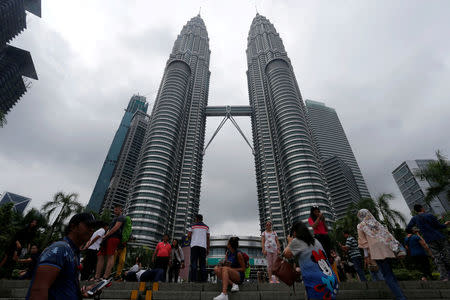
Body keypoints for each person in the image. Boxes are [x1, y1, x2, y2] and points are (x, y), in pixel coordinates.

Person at [26, 213, 99, 300]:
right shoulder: (60, 249)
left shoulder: (74, 253)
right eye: (88, 225)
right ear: (73, 227)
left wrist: (81, 293)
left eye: (93, 227)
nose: (91, 229)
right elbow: (38, 290)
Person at [357, 209, 406, 300]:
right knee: (390, 273)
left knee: (387, 275)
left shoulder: (360, 226)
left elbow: (363, 242)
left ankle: (400, 297)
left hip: (376, 251)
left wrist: (366, 255)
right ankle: (399, 295)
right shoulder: (376, 223)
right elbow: (388, 235)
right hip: (387, 248)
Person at [284, 221, 338, 300]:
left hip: (316, 282)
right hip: (331, 279)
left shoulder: (297, 241)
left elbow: (286, 254)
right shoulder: (316, 241)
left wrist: (289, 241)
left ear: (295, 232)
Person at [406, 204, 450, 281]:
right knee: (447, 255)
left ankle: (444, 277)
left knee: (437, 257)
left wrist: (416, 230)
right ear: (421, 208)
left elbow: (408, 228)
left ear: (416, 211)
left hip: (429, 240)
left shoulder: (414, 218)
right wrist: (445, 224)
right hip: (439, 237)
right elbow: (438, 226)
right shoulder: (429, 215)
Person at [95, 205, 126, 279]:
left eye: (116, 210)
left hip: (114, 238)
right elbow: (110, 228)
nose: (115, 211)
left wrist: (106, 235)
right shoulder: (115, 218)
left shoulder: (121, 217)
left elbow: (116, 227)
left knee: (110, 256)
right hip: (108, 238)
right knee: (100, 255)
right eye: (114, 210)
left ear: (120, 210)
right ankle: (97, 275)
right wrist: (105, 236)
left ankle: (106, 276)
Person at [188, 214, 210, 282]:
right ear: (202, 219)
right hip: (203, 246)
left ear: (196, 219)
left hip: (194, 246)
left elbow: (189, 235)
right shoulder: (207, 227)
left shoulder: (192, 226)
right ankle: (203, 280)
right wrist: (208, 248)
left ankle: (193, 280)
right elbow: (208, 238)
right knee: (202, 264)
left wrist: (193, 240)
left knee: (194, 262)